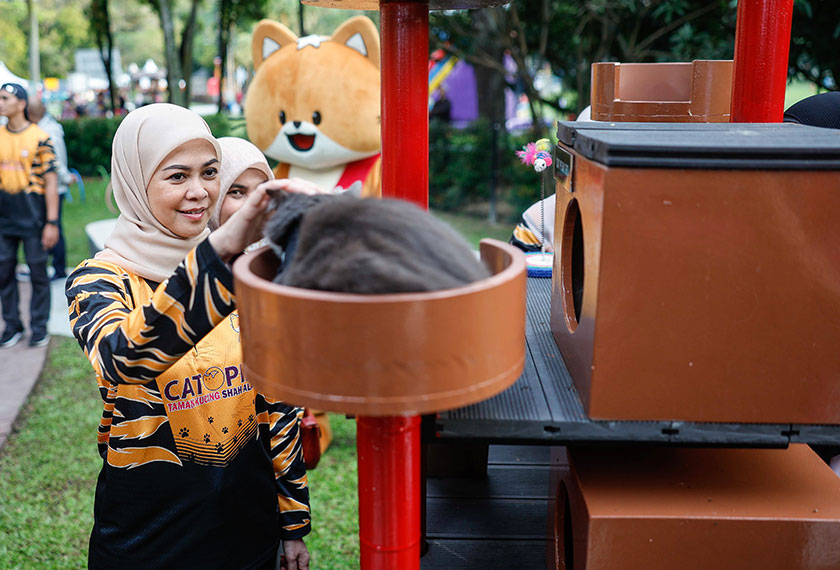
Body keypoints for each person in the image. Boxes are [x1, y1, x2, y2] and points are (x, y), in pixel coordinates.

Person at [65, 104, 311, 569]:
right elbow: (125, 359)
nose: (200, 193)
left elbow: (276, 409)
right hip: (147, 535)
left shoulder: (246, 277)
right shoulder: (100, 280)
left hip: (247, 526)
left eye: (210, 172)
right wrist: (219, 252)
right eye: (177, 176)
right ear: (136, 182)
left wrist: (293, 523)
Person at [0, 83, 59, 348]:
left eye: (5, 98)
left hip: (34, 220)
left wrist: (52, 222)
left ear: (21, 103)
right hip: (4, 221)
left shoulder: (41, 138)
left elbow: (51, 183)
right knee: (4, 274)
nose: (0, 103)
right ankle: (12, 326)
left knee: (38, 274)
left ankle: (38, 328)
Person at [28, 98, 74, 281]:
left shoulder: (49, 133)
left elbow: (56, 161)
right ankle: (50, 265)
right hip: (47, 186)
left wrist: (65, 178)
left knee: (54, 226)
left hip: (55, 187)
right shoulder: (46, 128)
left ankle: (59, 268)